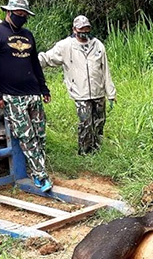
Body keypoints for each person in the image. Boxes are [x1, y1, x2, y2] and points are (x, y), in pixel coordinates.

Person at [0, 0, 53, 193]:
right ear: (8, 12)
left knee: (39, 134)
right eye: (18, 14)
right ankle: (40, 175)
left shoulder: (28, 35)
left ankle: (40, 168)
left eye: (24, 15)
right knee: (26, 135)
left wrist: (43, 88)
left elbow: (34, 64)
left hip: (32, 93)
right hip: (12, 96)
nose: (21, 17)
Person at [38, 15, 116, 155]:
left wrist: (111, 93)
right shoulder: (65, 46)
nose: (84, 31)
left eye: (87, 28)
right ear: (74, 29)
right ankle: (85, 152)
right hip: (80, 92)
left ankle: (97, 149)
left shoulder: (97, 45)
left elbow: (105, 70)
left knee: (99, 122)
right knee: (86, 123)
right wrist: (30, 62)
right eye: (81, 28)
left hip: (98, 90)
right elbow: (47, 58)